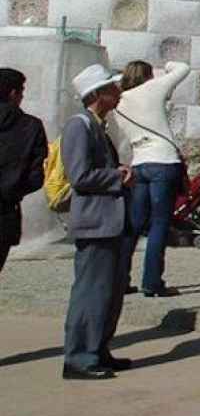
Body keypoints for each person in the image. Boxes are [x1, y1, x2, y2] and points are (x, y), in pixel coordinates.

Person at [60, 64, 130, 380]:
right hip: (95, 221)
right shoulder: (80, 126)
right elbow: (79, 175)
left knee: (109, 292)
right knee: (91, 291)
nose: (118, 92)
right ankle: (79, 356)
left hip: (110, 220)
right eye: (113, 88)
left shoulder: (97, 125)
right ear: (98, 94)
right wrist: (117, 176)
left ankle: (98, 349)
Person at [111, 60, 191, 297]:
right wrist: (164, 66)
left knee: (134, 225)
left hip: (140, 163)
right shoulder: (152, 88)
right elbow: (182, 68)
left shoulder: (119, 102)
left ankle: (120, 279)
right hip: (163, 161)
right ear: (148, 75)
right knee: (159, 224)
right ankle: (152, 281)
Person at [0, 68, 48, 276]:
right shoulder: (31, 126)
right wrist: (12, 190)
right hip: (6, 213)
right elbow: (36, 177)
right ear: (13, 93)